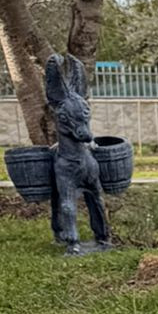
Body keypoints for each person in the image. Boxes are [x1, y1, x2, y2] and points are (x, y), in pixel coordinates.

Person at [43, 55, 111, 255]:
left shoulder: (74, 104)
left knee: (92, 197)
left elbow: (83, 131)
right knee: (70, 201)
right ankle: (75, 240)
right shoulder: (64, 107)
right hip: (71, 163)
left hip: (82, 161)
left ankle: (99, 237)